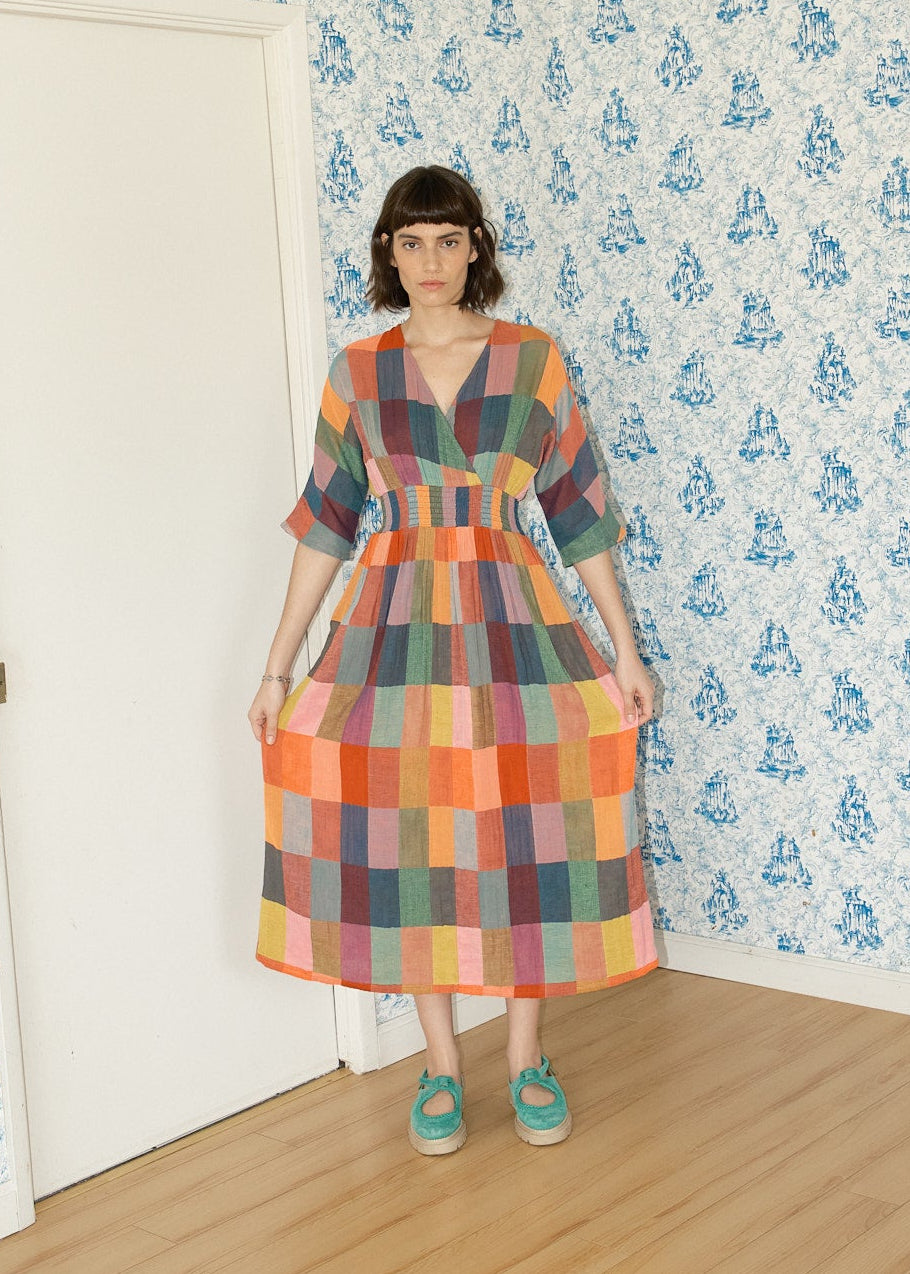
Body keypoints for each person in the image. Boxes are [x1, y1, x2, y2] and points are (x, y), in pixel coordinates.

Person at [248, 165, 658, 1156]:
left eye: (447, 238)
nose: (429, 259)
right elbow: (327, 522)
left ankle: (524, 1057)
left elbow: (577, 510)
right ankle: (440, 1064)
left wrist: (625, 651)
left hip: (515, 621)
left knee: (528, 821)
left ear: (475, 248)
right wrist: (277, 666)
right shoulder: (357, 373)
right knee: (408, 832)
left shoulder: (532, 359)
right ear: (388, 256)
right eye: (410, 241)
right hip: (392, 626)